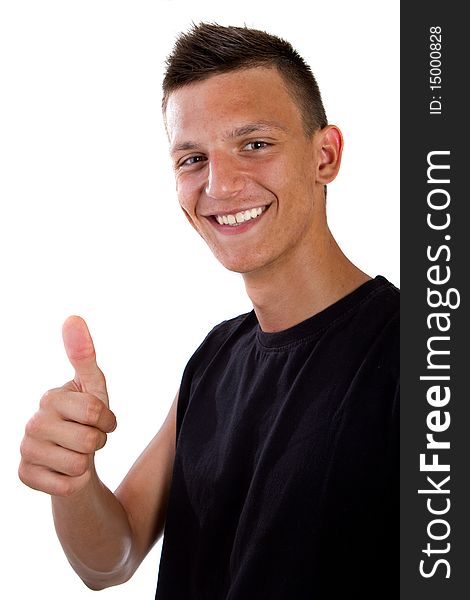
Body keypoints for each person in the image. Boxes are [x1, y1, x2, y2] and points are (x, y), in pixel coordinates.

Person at [19, 23, 399, 598]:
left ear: (325, 155)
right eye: (193, 158)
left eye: (254, 144)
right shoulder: (215, 358)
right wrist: (73, 481)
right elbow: (110, 560)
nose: (220, 185)